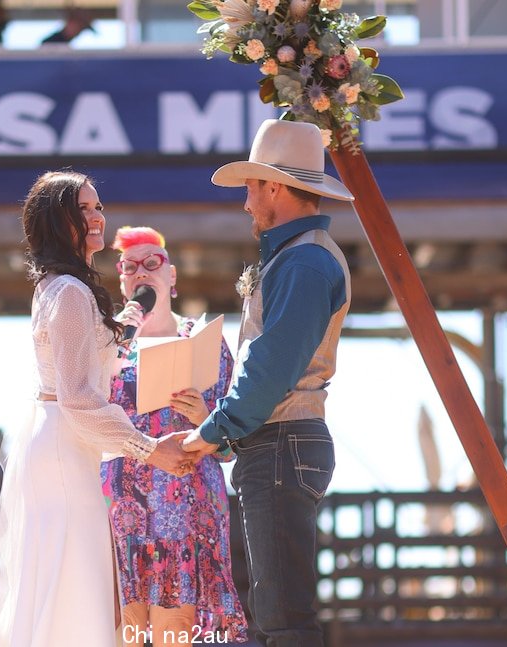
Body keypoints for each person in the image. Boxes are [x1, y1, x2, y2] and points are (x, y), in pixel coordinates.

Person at [0, 170, 196, 647]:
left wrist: (122, 327)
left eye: (98, 206)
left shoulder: (58, 288)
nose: (97, 216)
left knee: (59, 587)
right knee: (75, 590)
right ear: (58, 220)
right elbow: (79, 396)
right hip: (65, 447)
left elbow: (87, 360)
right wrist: (147, 449)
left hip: (59, 444)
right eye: (83, 208)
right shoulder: (72, 294)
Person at [182, 119, 355, 646]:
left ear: (275, 187)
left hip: (280, 443)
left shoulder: (302, 260)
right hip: (283, 442)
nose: (246, 203)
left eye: (252, 188)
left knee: (282, 614)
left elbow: (270, 368)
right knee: (279, 609)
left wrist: (212, 433)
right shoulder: (302, 255)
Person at [101, 226, 248, 646]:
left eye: (153, 263)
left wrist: (206, 417)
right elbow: (85, 419)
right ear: (122, 279)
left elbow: (231, 447)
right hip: (122, 508)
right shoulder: (109, 344)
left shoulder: (207, 343)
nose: (141, 272)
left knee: (175, 634)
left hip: (185, 509)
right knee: (124, 632)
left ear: (172, 276)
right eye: (130, 267)